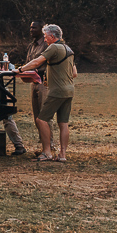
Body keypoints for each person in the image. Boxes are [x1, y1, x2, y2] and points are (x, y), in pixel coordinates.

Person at [19, 24, 77, 162]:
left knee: (41, 119)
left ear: (52, 36)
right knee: (63, 123)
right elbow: (74, 73)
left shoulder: (54, 47)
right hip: (69, 90)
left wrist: (20, 69)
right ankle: (62, 155)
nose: (45, 40)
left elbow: (37, 62)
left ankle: (47, 152)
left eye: (46, 37)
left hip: (57, 91)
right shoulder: (68, 49)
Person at [24, 21, 56, 154]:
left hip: (44, 82)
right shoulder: (32, 46)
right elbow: (29, 63)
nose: (31, 30)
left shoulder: (47, 44)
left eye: (34, 28)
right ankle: (44, 145)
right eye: (30, 27)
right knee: (37, 116)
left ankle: (51, 145)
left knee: (45, 115)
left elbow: (40, 62)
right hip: (33, 82)